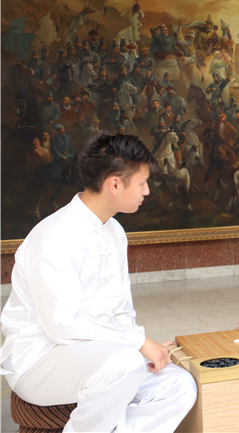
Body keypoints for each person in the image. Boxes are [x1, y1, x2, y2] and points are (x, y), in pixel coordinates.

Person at [0, 133, 197, 432]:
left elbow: (121, 312)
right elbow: (63, 325)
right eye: (142, 183)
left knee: (179, 385)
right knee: (125, 365)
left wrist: (140, 345)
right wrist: (138, 344)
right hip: (40, 361)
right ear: (115, 184)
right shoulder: (53, 237)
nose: (146, 191)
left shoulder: (115, 231)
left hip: (103, 353)